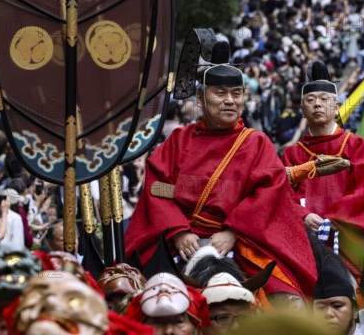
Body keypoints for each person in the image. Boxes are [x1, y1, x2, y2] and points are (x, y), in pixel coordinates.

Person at [125, 64, 317, 299]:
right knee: (142, 294)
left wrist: (233, 232)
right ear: (200, 98)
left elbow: (268, 193)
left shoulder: (257, 143)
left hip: (242, 239)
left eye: (236, 94)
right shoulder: (178, 140)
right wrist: (178, 231)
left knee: (285, 297)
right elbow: (158, 189)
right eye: (220, 93)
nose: (230, 101)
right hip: (182, 240)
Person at [281, 77, 364, 277]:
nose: (317, 104)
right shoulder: (291, 153)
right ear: (303, 110)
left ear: (337, 106)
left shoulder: (355, 145)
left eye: (324, 99)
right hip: (302, 235)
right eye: (310, 100)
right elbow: (280, 195)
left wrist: (334, 219)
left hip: (348, 234)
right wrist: (303, 215)